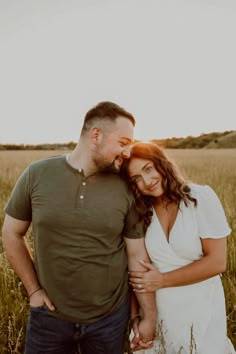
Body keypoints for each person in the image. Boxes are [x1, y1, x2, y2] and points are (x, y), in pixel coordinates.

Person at [2, 102, 157, 354]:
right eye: (123, 142)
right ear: (96, 135)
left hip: (109, 320)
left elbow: (137, 254)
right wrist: (34, 290)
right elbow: (11, 233)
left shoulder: (127, 186)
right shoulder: (37, 174)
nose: (127, 152)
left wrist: (147, 316)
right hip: (49, 317)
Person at [121, 141, 235, 354]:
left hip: (201, 307)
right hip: (160, 310)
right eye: (136, 178)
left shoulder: (200, 198)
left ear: (161, 164)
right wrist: (138, 317)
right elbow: (136, 271)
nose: (146, 181)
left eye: (148, 169)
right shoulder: (141, 211)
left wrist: (162, 280)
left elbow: (217, 262)